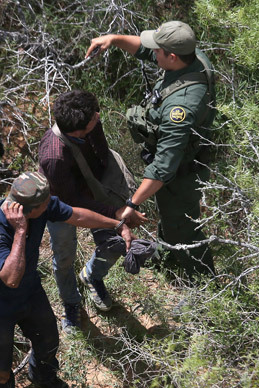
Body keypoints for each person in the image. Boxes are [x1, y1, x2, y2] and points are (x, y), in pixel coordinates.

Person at [0, 172, 135, 388]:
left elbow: (76, 216)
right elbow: (10, 278)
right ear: (28, 209)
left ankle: (43, 378)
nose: (51, 204)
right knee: (0, 367)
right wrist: (21, 231)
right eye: (46, 203)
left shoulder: (39, 206)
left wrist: (116, 225)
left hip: (30, 292)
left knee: (48, 341)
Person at [86, 20, 216, 278]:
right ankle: (167, 258)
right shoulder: (192, 56)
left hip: (181, 174)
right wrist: (114, 39)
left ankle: (202, 284)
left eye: (157, 51)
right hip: (174, 168)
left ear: (172, 56)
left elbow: (163, 168)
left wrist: (131, 204)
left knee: (184, 230)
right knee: (171, 220)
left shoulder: (181, 108)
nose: (152, 53)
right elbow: (144, 50)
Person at [38, 89, 147, 332]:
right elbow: (72, 203)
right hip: (64, 206)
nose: (99, 117)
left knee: (115, 244)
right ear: (78, 129)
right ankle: (71, 302)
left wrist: (116, 197)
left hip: (97, 188)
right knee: (64, 258)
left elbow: (101, 153)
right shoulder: (53, 157)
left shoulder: (91, 121)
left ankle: (92, 275)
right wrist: (114, 213)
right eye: (94, 118)